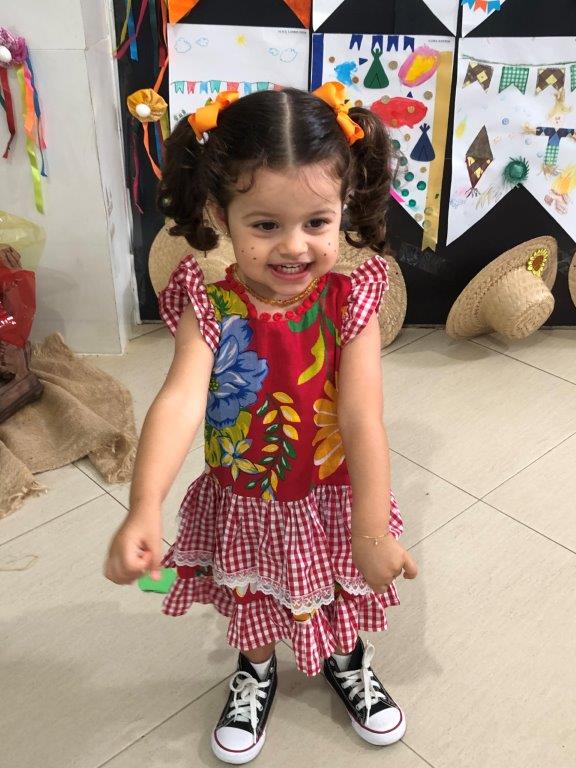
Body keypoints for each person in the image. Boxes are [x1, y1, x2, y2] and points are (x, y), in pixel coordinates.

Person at [105, 82, 418, 765]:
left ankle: (347, 659)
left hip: (330, 491)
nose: (294, 247)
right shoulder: (208, 301)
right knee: (250, 593)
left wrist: (370, 528)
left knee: (337, 588)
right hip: (245, 494)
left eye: (317, 222)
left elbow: (362, 415)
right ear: (222, 215)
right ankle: (255, 669)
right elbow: (180, 399)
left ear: (344, 209)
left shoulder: (353, 298)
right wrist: (144, 505)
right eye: (266, 225)